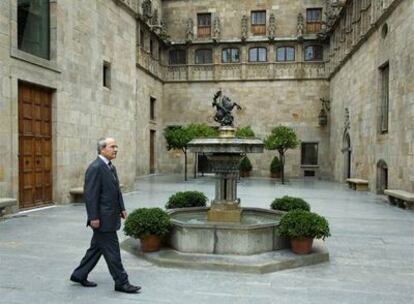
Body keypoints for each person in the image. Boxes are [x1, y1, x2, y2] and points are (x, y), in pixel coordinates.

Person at [70, 137, 141, 294]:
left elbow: (116, 191)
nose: (115, 149)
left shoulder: (110, 167)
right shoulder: (95, 168)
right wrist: (93, 217)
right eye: (112, 146)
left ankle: (79, 274)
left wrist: (122, 208)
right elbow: (90, 195)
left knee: (96, 248)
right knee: (113, 251)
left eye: (116, 146)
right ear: (102, 149)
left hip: (110, 216)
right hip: (102, 220)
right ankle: (122, 282)